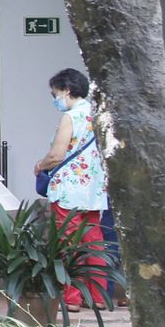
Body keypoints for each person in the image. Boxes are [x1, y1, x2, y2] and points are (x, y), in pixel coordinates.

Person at [34, 67, 110, 312]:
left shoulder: (71, 116)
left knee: (68, 244)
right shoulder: (98, 113)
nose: (55, 99)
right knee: (94, 242)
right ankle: (98, 296)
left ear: (66, 90)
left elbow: (57, 155)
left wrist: (39, 165)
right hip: (93, 189)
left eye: (55, 94)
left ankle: (72, 297)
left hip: (69, 190)